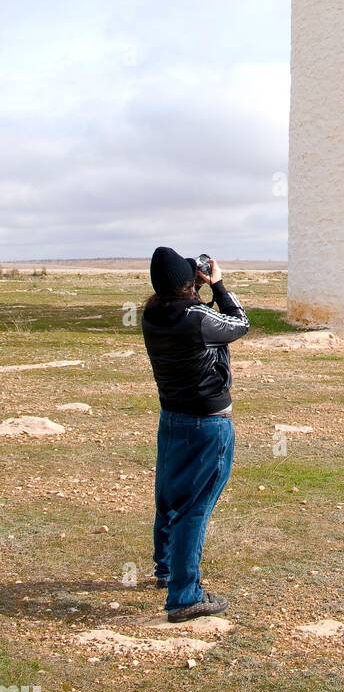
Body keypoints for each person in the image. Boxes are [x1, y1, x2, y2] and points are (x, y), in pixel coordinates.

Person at [141, 246, 249, 621]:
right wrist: (218, 285)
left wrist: (193, 290)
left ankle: (166, 569)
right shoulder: (196, 318)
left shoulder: (153, 314)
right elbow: (239, 323)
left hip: (172, 418)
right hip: (208, 422)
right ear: (189, 285)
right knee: (195, 507)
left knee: (169, 497)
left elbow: (191, 313)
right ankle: (185, 596)